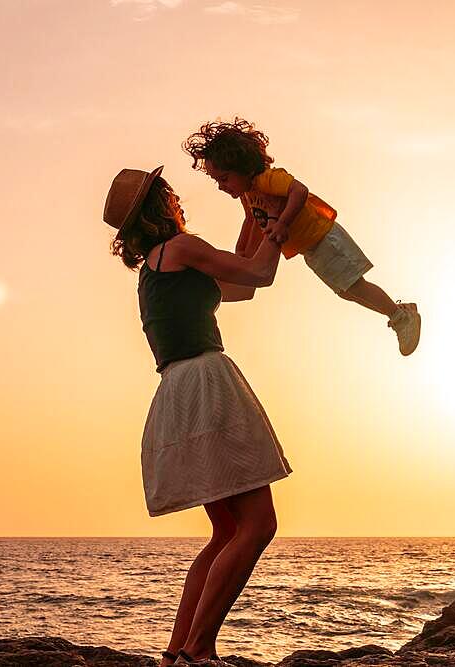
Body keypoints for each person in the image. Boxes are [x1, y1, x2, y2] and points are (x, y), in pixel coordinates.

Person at [104, 165, 289, 665]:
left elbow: (241, 283)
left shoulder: (154, 269)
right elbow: (260, 273)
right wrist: (278, 221)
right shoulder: (182, 247)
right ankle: (200, 648)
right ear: (161, 204)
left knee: (227, 530)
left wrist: (252, 215)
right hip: (207, 386)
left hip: (176, 393)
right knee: (257, 525)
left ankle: (176, 652)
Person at [183, 117, 423, 356]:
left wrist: (282, 222)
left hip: (324, 238)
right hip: (311, 248)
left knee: (355, 285)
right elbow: (250, 220)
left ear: (244, 167)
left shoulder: (267, 180)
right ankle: (398, 311)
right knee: (347, 291)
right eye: (217, 181)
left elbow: (299, 191)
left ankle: (400, 317)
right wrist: (241, 255)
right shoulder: (250, 194)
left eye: (224, 178)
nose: (221, 186)